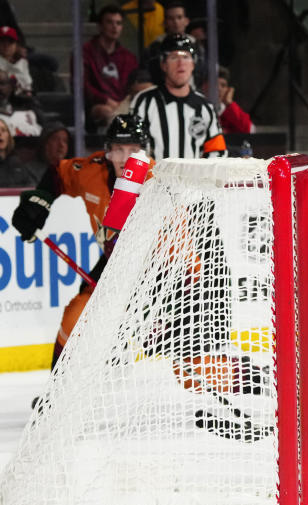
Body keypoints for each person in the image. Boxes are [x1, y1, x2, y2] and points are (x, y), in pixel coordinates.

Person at [10, 114, 153, 369]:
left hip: (159, 271)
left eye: (133, 149)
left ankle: (239, 380)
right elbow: (58, 173)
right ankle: (56, 394)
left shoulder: (158, 179)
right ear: (107, 151)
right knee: (75, 316)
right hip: (114, 265)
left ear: (145, 152)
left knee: (191, 356)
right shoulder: (91, 171)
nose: (125, 158)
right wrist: (36, 204)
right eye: (119, 149)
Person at [131, 34, 225, 159]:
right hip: (153, 178)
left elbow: (217, 151)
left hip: (194, 178)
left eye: (186, 57)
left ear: (193, 64)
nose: (181, 63)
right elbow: (133, 149)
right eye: (174, 57)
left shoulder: (205, 107)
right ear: (163, 65)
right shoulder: (144, 102)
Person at [83, 4, 139, 130]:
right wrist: (106, 100)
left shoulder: (129, 57)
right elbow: (82, 86)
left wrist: (124, 103)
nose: (115, 27)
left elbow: (132, 86)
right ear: (100, 26)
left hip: (124, 104)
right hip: (97, 106)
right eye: (110, 22)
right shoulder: (85, 52)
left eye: (118, 23)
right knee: (106, 111)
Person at [141, 1, 205, 88]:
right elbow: (148, 73)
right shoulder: (155, 47)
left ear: (186, 21)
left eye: (179, 17)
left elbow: (203, 72)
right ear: (164, 22)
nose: (175, 22)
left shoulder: (196, 45)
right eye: (171, 18)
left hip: (192, 93)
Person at [213, 66, 253, 134]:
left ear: (228, 90)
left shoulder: (229, 114)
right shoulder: (198, 108)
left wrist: (229, 103)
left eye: (223, 85)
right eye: (215, 84)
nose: (219, 89)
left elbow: (247, 129)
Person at [0, 117, 34, 186]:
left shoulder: (17, 164)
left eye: (3, 130)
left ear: (8, 136)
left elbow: (30, 187)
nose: (0, 134)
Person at [0, 25, 31, 95]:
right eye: (2, 41)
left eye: (10, 41)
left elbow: (27, 88)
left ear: (16, 45)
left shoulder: (22, 63)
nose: (6, 45)